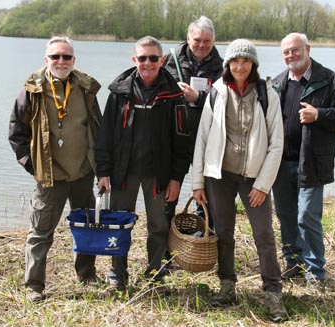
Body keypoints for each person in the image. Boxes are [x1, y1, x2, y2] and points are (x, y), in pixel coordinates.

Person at [192, 39, 288, 322]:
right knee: (224, 232)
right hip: (220, 176)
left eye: (246, 61)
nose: (240, 66)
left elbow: (276, 144)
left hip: (253, 178)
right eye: (235, 61)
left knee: (264, 235)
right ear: (227, 65)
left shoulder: (267, 93)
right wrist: (198, 181)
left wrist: (262, 185)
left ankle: (273, 292)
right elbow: (203, 138)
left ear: (253, 64)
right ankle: (227, 285)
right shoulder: (216, 92)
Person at [8, 36, 102, 302]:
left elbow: (98, 128)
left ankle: (86, 274)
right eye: (56, 57)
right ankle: (34, 286)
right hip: (50, 177)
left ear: (74, 60)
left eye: (67, 57)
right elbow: (16, 133)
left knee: (86, 227)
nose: (61, 61)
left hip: (84, 173)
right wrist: (33, 165)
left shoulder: (85, 87)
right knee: (40, 233)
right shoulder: (32, 90)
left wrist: (102, 168)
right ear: (46, 59)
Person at [94, 36, 190, 291]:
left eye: (153, 58)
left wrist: (176, 178)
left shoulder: (174, 95)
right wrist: (103, 172)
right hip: (123, 173)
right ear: (134, 59)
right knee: (119, 223)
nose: (148, 63)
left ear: (162, 60)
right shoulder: (119, 93)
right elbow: (105, 137)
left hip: (159, 175)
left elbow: (182, 143)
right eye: (142, 58)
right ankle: (117, 272)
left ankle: (155, 272)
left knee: (158, 226)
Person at [272, 33, 335, 285]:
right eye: (286, 52)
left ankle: (315, 271)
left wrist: (319, 114)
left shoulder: (329, 80)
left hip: (311, 162)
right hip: (279, 163)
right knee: (285, 215)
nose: (290, 55)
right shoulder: (276, 83)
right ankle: (294, 263)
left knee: (307, 215)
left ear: (307, 49)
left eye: (295, 50)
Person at [163, 15, 223, 225]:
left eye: (207, 41)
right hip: (173, 140)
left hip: (205, 141)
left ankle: (202, 246)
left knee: (205, 199)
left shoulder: (222, 68)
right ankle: (165, 251)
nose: (201, 45)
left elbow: (225, 104)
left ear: (214, 41)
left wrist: (198, 98)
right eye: (197, 40)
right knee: (168, 197)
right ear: (188, 38)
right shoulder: (167, 61)